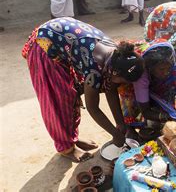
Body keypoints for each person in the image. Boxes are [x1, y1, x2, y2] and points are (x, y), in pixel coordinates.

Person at [22, 17, 145, 162]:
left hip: (64, 41)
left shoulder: (116, 57)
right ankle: (67, 148)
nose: (121, 86)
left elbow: (111, 89)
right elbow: (93, 108)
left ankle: (71, 138)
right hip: (45, 45)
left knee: (71, 95)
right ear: (115, 73)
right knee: (60, 100)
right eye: (123, 82)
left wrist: (121, 124)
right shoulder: (94, 66)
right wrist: (115, 134)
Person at [132, 41, 176, 124]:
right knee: (130, 100)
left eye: (168, 68)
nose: (166, 72)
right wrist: (167, 116)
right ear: (151, 67)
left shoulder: (170, 61)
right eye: (161, 69)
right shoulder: (141, 76)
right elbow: (145, 112)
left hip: (155, 81)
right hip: (131, 85)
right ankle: (130, 127)